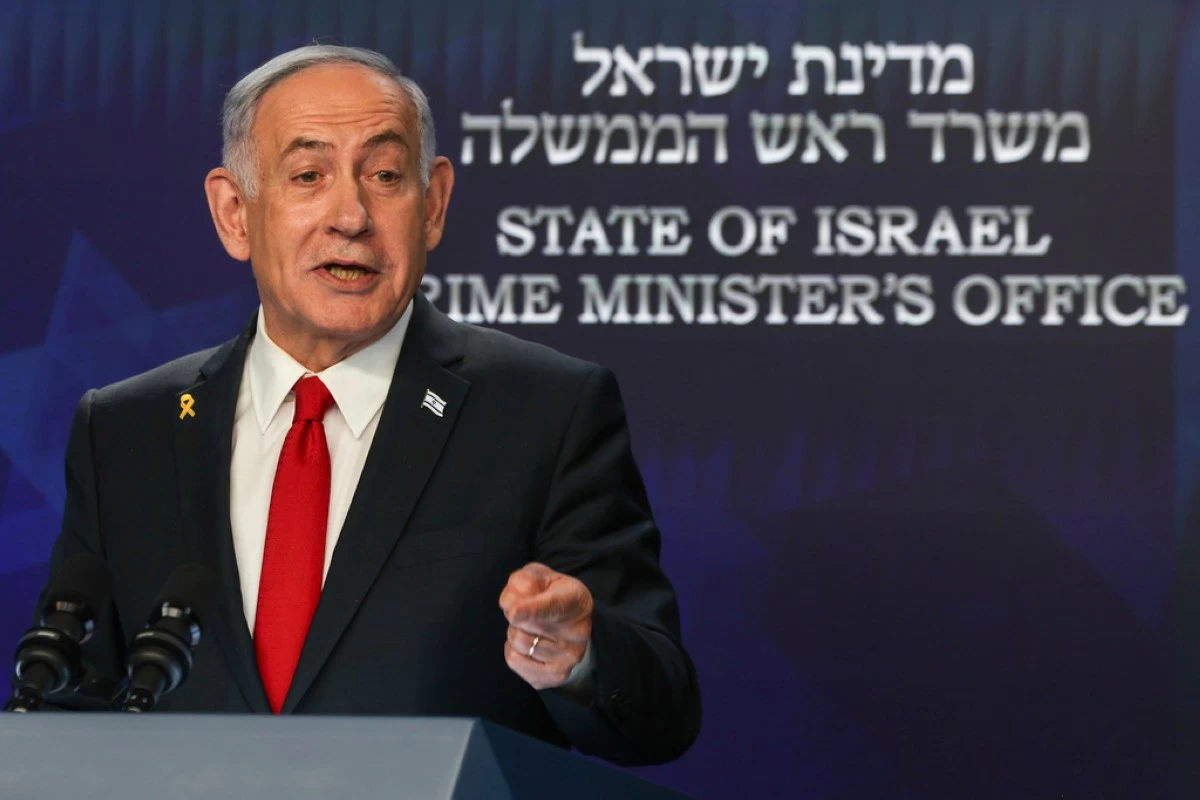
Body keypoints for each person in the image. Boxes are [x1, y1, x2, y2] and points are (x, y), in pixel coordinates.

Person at [32, 45, 700, 765]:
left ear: (434, 204)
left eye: (385, 176)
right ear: (234, 213)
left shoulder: (548, 410)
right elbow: (74, 703)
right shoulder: (126, 431)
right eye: (308, 175)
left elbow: (661, 709)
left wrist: (581, 657)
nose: (350, 215)